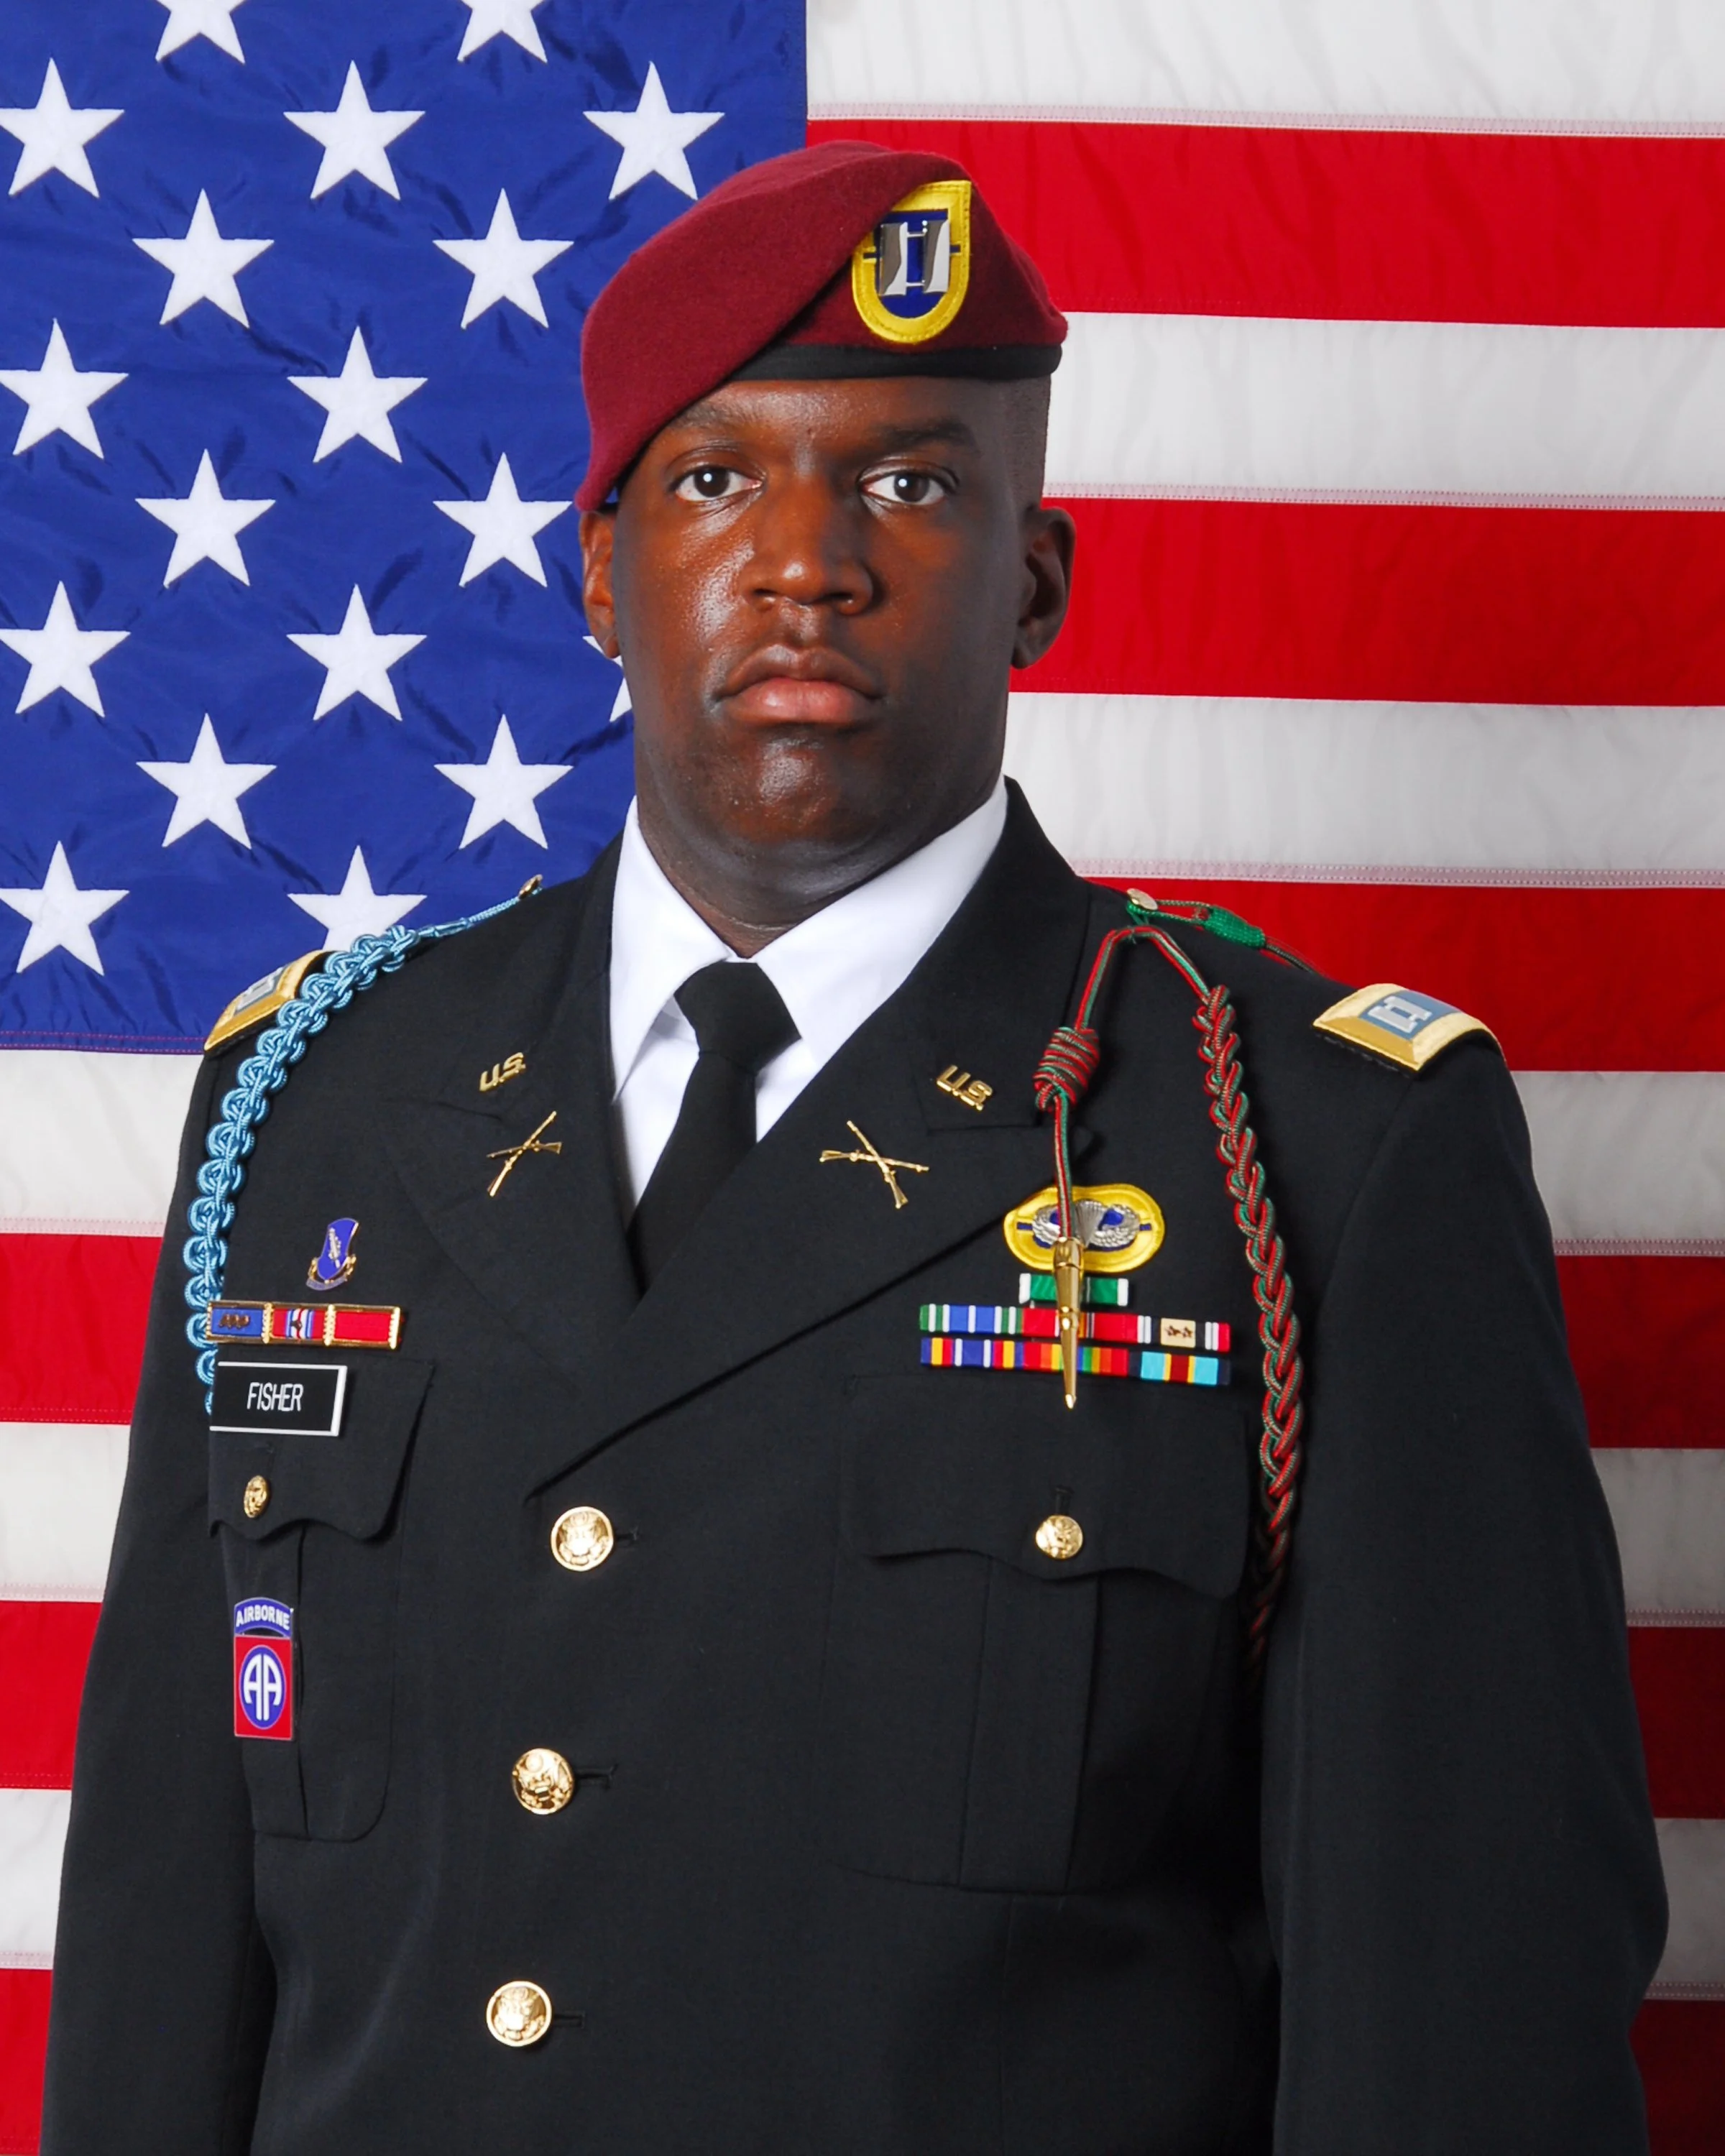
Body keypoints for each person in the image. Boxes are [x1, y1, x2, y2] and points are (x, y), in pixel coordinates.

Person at [42, 142, 1664, 2155]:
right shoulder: (317, 1097)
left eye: (906, 485)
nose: (804, 563)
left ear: (1038, 582)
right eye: (716, 481)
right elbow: (165, 1938)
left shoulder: (1317, 1143)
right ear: (598, 573)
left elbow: (1464, 2012)